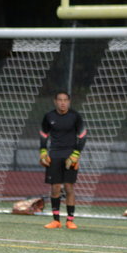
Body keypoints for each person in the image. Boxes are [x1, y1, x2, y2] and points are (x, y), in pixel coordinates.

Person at [39, 91, 87, 229]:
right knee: (55, 187)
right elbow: (43, 134)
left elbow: (82, 136)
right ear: (55, 101)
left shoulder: (75, 116)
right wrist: (43, 151)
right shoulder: (49, 116)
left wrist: (76, 154)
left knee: (68, 187)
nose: (62, 102)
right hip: (54, 155)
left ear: (69, 102)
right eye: (60, 100)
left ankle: (70, 220)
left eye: (65, 100)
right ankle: (56, 220)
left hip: (70, 155)